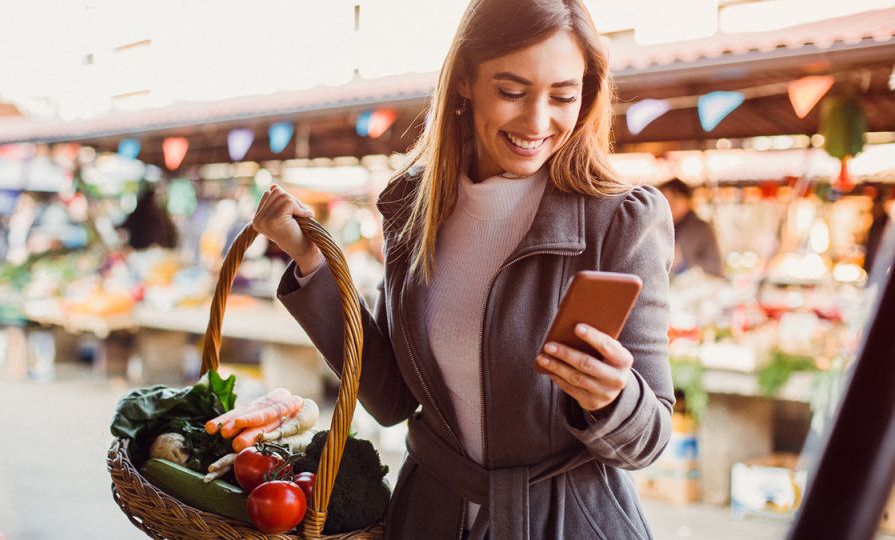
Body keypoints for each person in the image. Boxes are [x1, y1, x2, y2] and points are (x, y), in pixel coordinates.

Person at [252, 1, 675, 538]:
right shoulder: (413, 206)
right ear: (465, 81)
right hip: (431, 516)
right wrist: (310, 258)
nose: (537, 122)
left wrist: (615, 398)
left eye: (564, 96)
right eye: (512, 91)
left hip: (567, 521)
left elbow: (651, 437)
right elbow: (390, 397)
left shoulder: (622, 218)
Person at [658, 178, 723, 278]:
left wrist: (681, 263)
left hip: (699, 286)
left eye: (675, 198)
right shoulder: (659, 227)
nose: (670, 204)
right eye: (665, 200)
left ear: (688, 200)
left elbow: (714, 267)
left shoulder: (700, 227)